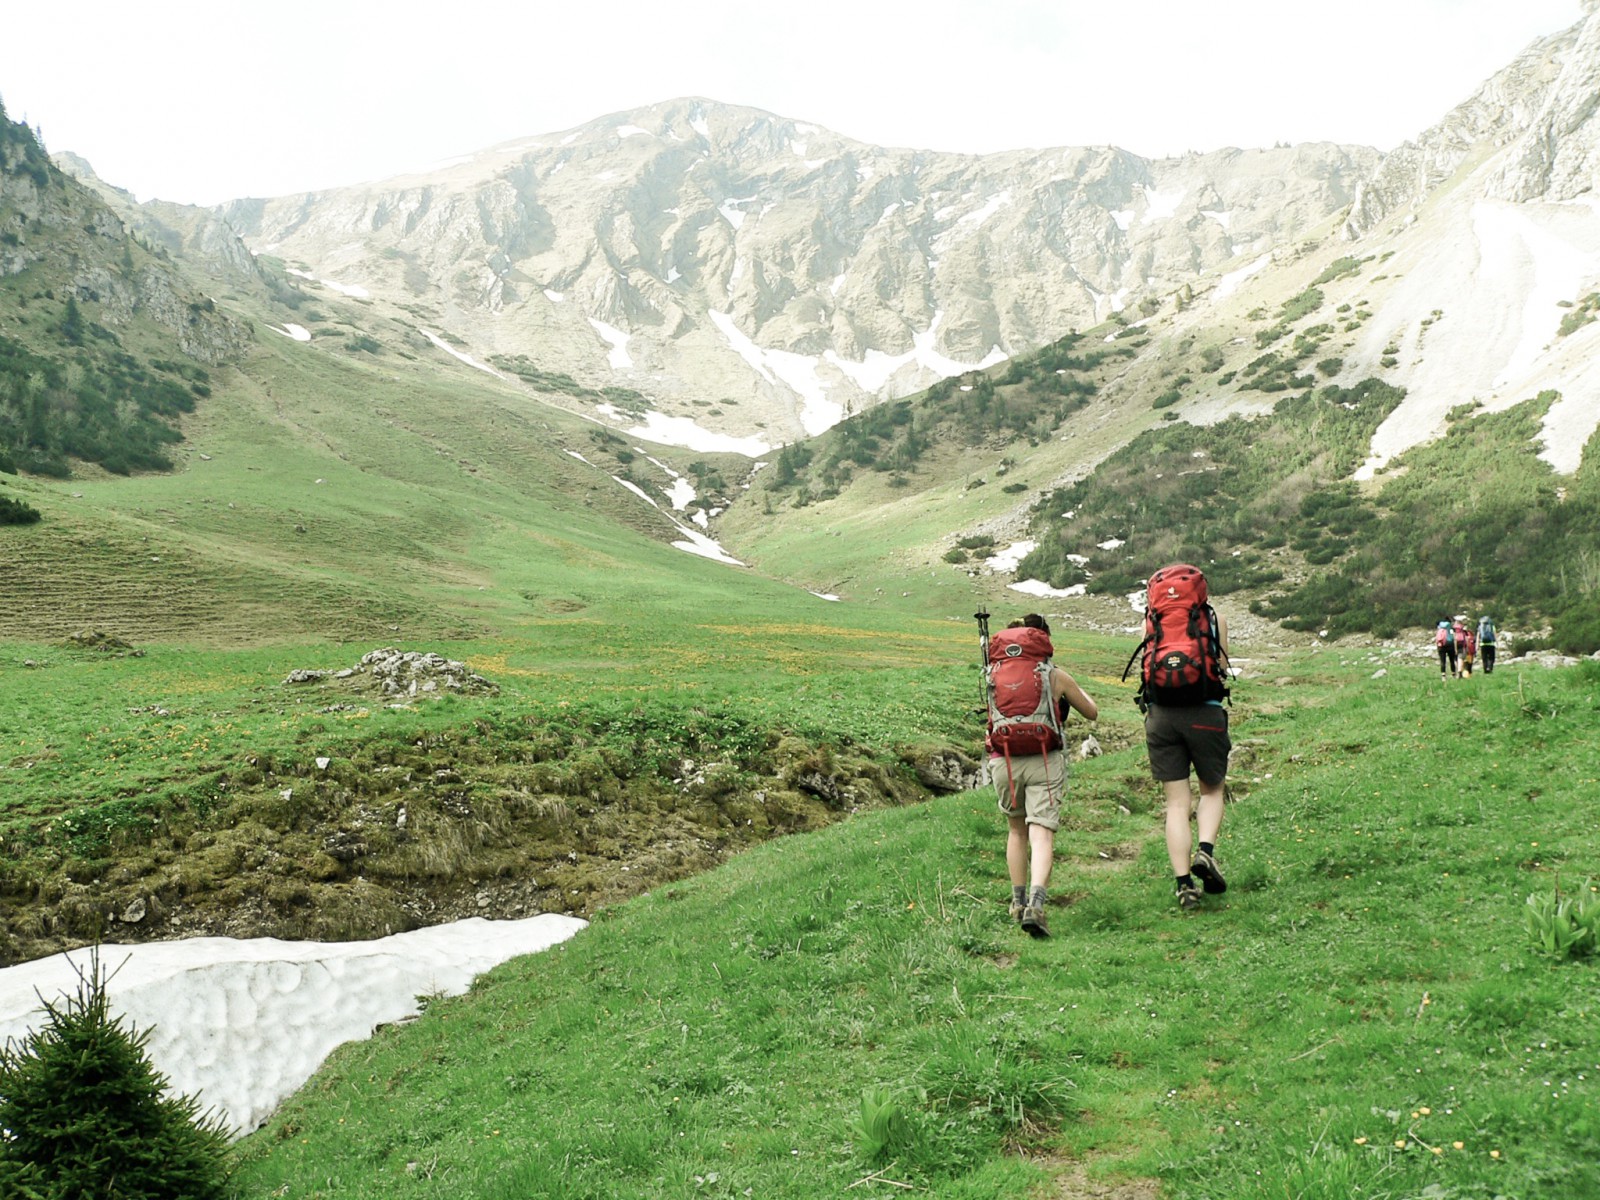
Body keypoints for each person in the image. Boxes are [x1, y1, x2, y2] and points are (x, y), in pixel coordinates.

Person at [988, 613, 1098, 939]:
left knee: (1016, 830)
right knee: (1042, 834)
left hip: (1004, 760)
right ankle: (1036, 905)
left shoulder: (991, 673)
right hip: (1044, 760)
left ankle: (1016, 901)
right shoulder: (1054, 674)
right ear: (1045, 642)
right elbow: (1091, 711)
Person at [1143, 608, 1232, 912]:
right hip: (1205, 711)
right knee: (1212, 789)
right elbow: (1220, 665)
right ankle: (1205, 851)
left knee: (1177, 804)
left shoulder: (1153, 619)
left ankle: (1184, 886)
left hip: (1161, 716)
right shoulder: (1215, 617)